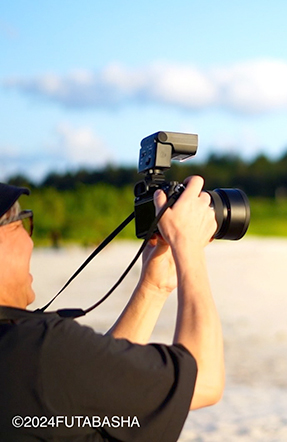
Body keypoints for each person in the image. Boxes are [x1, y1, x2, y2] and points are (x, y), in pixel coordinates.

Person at [0, 177, 224, 441]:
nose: (30, 240)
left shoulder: (19, 351)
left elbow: (95, 385)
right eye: (20, 223)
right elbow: (204, 381)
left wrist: (153, 288)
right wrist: (188, 247)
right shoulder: (38, 350)